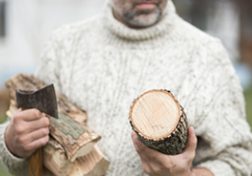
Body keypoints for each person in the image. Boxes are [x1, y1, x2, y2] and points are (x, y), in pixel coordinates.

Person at [1, 0, 252, 175]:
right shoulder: (64, 46)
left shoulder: (207, 56)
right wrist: (13, 143)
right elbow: (33, 156)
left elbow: (240, 161)